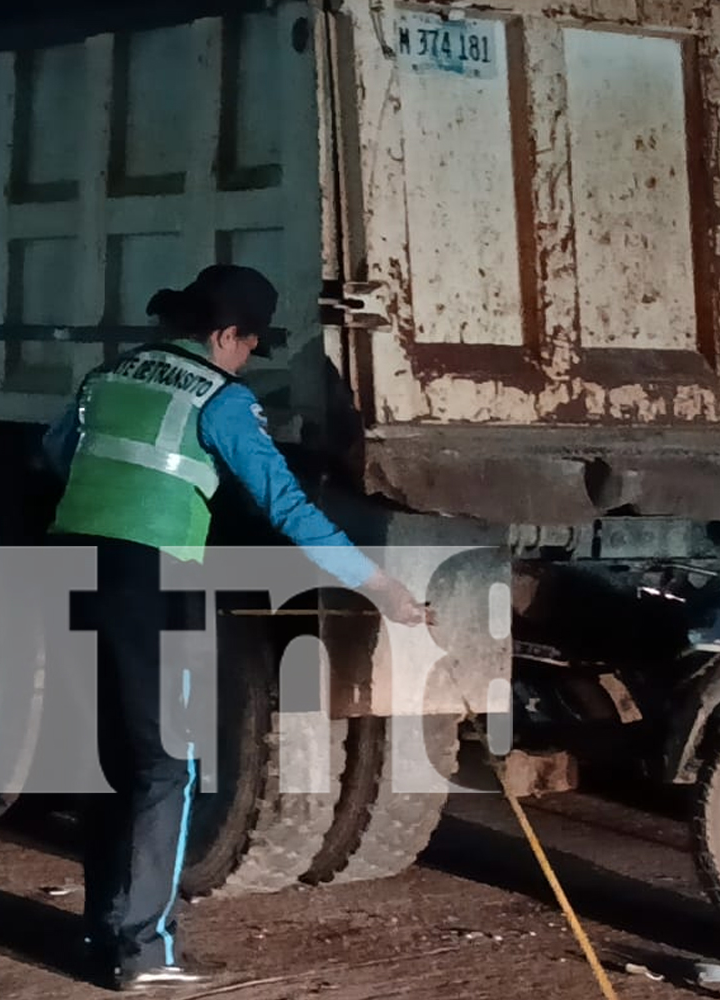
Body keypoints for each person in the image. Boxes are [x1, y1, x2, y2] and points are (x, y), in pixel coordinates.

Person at [39, 263, 426, 991]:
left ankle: (105, 932)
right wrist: (379, 585)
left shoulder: (109, 378)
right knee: (164, 765)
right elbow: (287, 507)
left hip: (72, 569)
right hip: (153, 581)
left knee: (107, 759)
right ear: (225, 335)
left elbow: (56, 455)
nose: (248, 358)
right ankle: (143, 951)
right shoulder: (221, 398)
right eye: (249, 344)